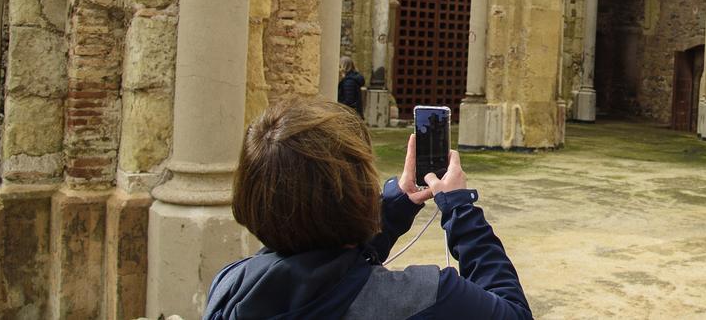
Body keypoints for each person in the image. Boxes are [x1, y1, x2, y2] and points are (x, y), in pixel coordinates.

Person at [204, 98, 531, 319]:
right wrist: (461, 211)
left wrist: (394, 208)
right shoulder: (428, 297)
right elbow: (513, 313)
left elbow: (324, 271)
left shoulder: (230, 288)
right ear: (361, 187)